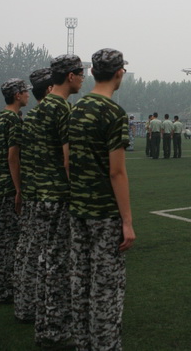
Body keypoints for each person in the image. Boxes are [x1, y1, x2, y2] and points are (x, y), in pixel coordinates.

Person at [68, 49, 135, 351]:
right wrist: (128, 222)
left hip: (78, 208)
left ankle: (83, 343)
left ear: (93, 73)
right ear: (119, 73)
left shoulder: (75, 109)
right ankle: (105, 345)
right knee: (106, 288)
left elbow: (67, 161)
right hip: (104, 214)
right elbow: (117, 173)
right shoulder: (114, 114)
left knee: (80, 282)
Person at [32, 54, 84, 347]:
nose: (82, 78)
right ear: (70, 77)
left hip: (42, 192)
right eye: (80, 73)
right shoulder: (62, 108)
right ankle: (55, 332)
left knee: (47, 259)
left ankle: (45, 326)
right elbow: (68, 159)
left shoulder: (41, 108)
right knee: (59, 264)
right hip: (58, 196)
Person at [14, 67, 53, 325]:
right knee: (45, 255)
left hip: (31, 191)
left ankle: (24, 305)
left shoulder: (30, 118)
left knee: (29, 249)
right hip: (47, 195)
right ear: (50, 89)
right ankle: (42, 314)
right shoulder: (53, 115)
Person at [0, 78, 29, 303]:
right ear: (17, 95)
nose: (27, 95)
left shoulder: (2, 117)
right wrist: (18, 190)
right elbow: (13, 157)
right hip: (7, 187)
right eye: (24, 92)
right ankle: (4, 290)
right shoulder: (12, 119)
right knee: (8, 240)